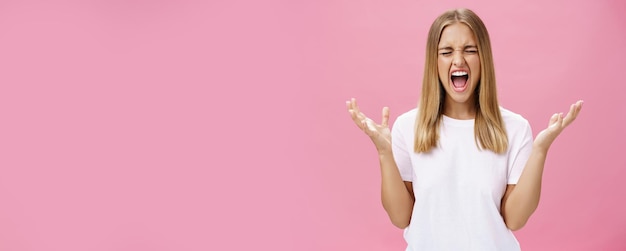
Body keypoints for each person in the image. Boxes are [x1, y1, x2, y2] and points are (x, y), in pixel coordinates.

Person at [345, 8, 583, 251]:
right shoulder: (408, 127)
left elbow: (515, 219)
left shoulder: (515, 128)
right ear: (434, 62)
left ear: (484, 59)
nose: (458, 60)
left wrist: (540, 151)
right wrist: (384, 153)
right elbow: (400, 217)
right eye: (447, 52)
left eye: (470, 50)